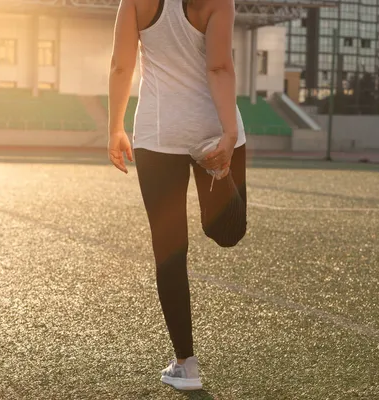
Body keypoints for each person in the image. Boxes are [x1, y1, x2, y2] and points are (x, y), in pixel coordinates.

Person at [107, 0, 247, 391]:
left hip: (159, 133)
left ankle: (186, 366)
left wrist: (114, 127)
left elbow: (121, 64)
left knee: (170, 252)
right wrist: (229, 133)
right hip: (212, 128)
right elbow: (219, 66)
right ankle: (218, 171)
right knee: (227, 232)